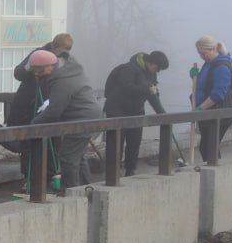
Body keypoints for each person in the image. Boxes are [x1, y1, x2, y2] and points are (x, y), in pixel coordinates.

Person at [27, 48, 102, 190]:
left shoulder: (62, 81)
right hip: (88, 115)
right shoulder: (67, 70)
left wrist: (33, 124)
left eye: (38, 71)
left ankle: (71, 190)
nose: (36, 75)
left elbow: (54, 111)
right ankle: (84, 188)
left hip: (81, 117)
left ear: (49, 67)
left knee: (68, 157)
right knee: (78, 156)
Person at [11, 33, 74, 179]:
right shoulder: (38, 54)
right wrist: (28, 68)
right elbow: (18, 73)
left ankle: (51, 175)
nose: (62, 55)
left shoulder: (64, 60)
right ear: (54, 47)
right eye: (60, 51)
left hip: (51, 104)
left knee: (54, 139)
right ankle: (29, 177)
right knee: (30, 142)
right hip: (30, 104)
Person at [103, 51, 170, 176]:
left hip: (136, 110)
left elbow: (153, 95)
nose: (158, 71)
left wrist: (162, 114)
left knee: (134, 141)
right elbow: (126, 87)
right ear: (151, 62)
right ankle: (113, 172)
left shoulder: (151, 74)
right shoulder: (129, 68)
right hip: (117, 109)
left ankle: (130, 170)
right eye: (158, 68)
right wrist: (147, 90)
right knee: (116, 142)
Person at [193, 36, 232, 163]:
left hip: (218, 113)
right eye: (200, 53)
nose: (202, 56)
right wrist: (195, 76)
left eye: (203, 53)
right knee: (207, 147)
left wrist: (201, 108)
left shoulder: (222, 67)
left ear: (212, 49)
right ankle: (214, 166)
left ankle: (215, 169)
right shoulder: (208, 64)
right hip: (208, 112)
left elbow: (218, 94)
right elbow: (203, 85)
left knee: (209, 147)